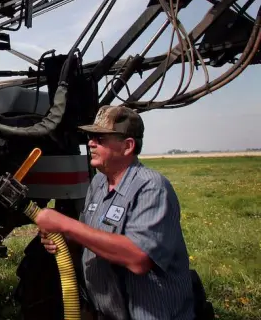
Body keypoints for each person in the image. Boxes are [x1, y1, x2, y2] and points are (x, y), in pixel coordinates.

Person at [34, 105, 195, 320]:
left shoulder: (152, 187)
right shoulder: (98, 184)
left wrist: (65, 225)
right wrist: (65, 239)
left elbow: (138, 258)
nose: (90, 143)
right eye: (91, 136)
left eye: (100, 139)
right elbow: (91, 240)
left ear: (127, 146)